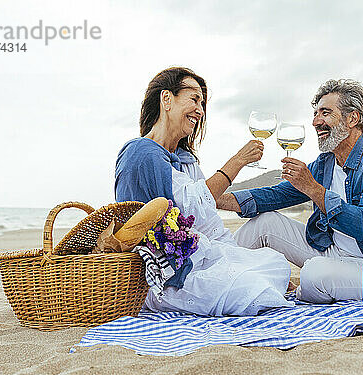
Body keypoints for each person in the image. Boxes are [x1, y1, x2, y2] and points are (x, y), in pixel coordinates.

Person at [217, 79, 363, 307]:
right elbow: (275, 196)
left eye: (325, 113)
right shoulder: (326, 163)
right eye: (315, 114)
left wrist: (312, 187)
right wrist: (213, 199)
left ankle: (286, 289)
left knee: (314, 274)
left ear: (353, 118)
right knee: (266, 222)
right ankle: (213, 277)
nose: (315, 122)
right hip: (333, 252)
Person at [115, 67, 293, 316]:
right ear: (167, 99)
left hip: (197, 253)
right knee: (254, 290)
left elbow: (208, 222)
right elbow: (191, 207)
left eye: (202, 103)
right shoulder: (140, 153)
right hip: (164, 270)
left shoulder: (184, 159)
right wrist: (238, 161)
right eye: (194, 99)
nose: (200, 110)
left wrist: (235, 257)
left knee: (274, 265)